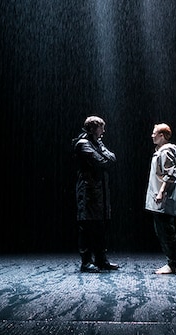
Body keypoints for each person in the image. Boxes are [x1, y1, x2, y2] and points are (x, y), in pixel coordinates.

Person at [73, 115, 119, 272]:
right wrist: (101, 150)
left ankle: (101, 260)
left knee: (100, 227)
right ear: (93, 128)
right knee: (87, 227)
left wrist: (100, 146)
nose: (104, 131)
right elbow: (102, 162)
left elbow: (112, 159)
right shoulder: (83, 144)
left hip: (99, 193)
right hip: (88, 193)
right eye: (101, 127)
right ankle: (86, 262)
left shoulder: (96, 143)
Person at [144, 122, 176, 274]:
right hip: (158, 198)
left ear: (162, 136)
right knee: (161, 231)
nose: (152, 135)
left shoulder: (166, 151)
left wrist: (161, 192)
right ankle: (171, 263)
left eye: (154, 133)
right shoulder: (159, 151)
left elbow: (170, 175)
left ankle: (172, 264)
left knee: (165, 231)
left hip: (162, 199)